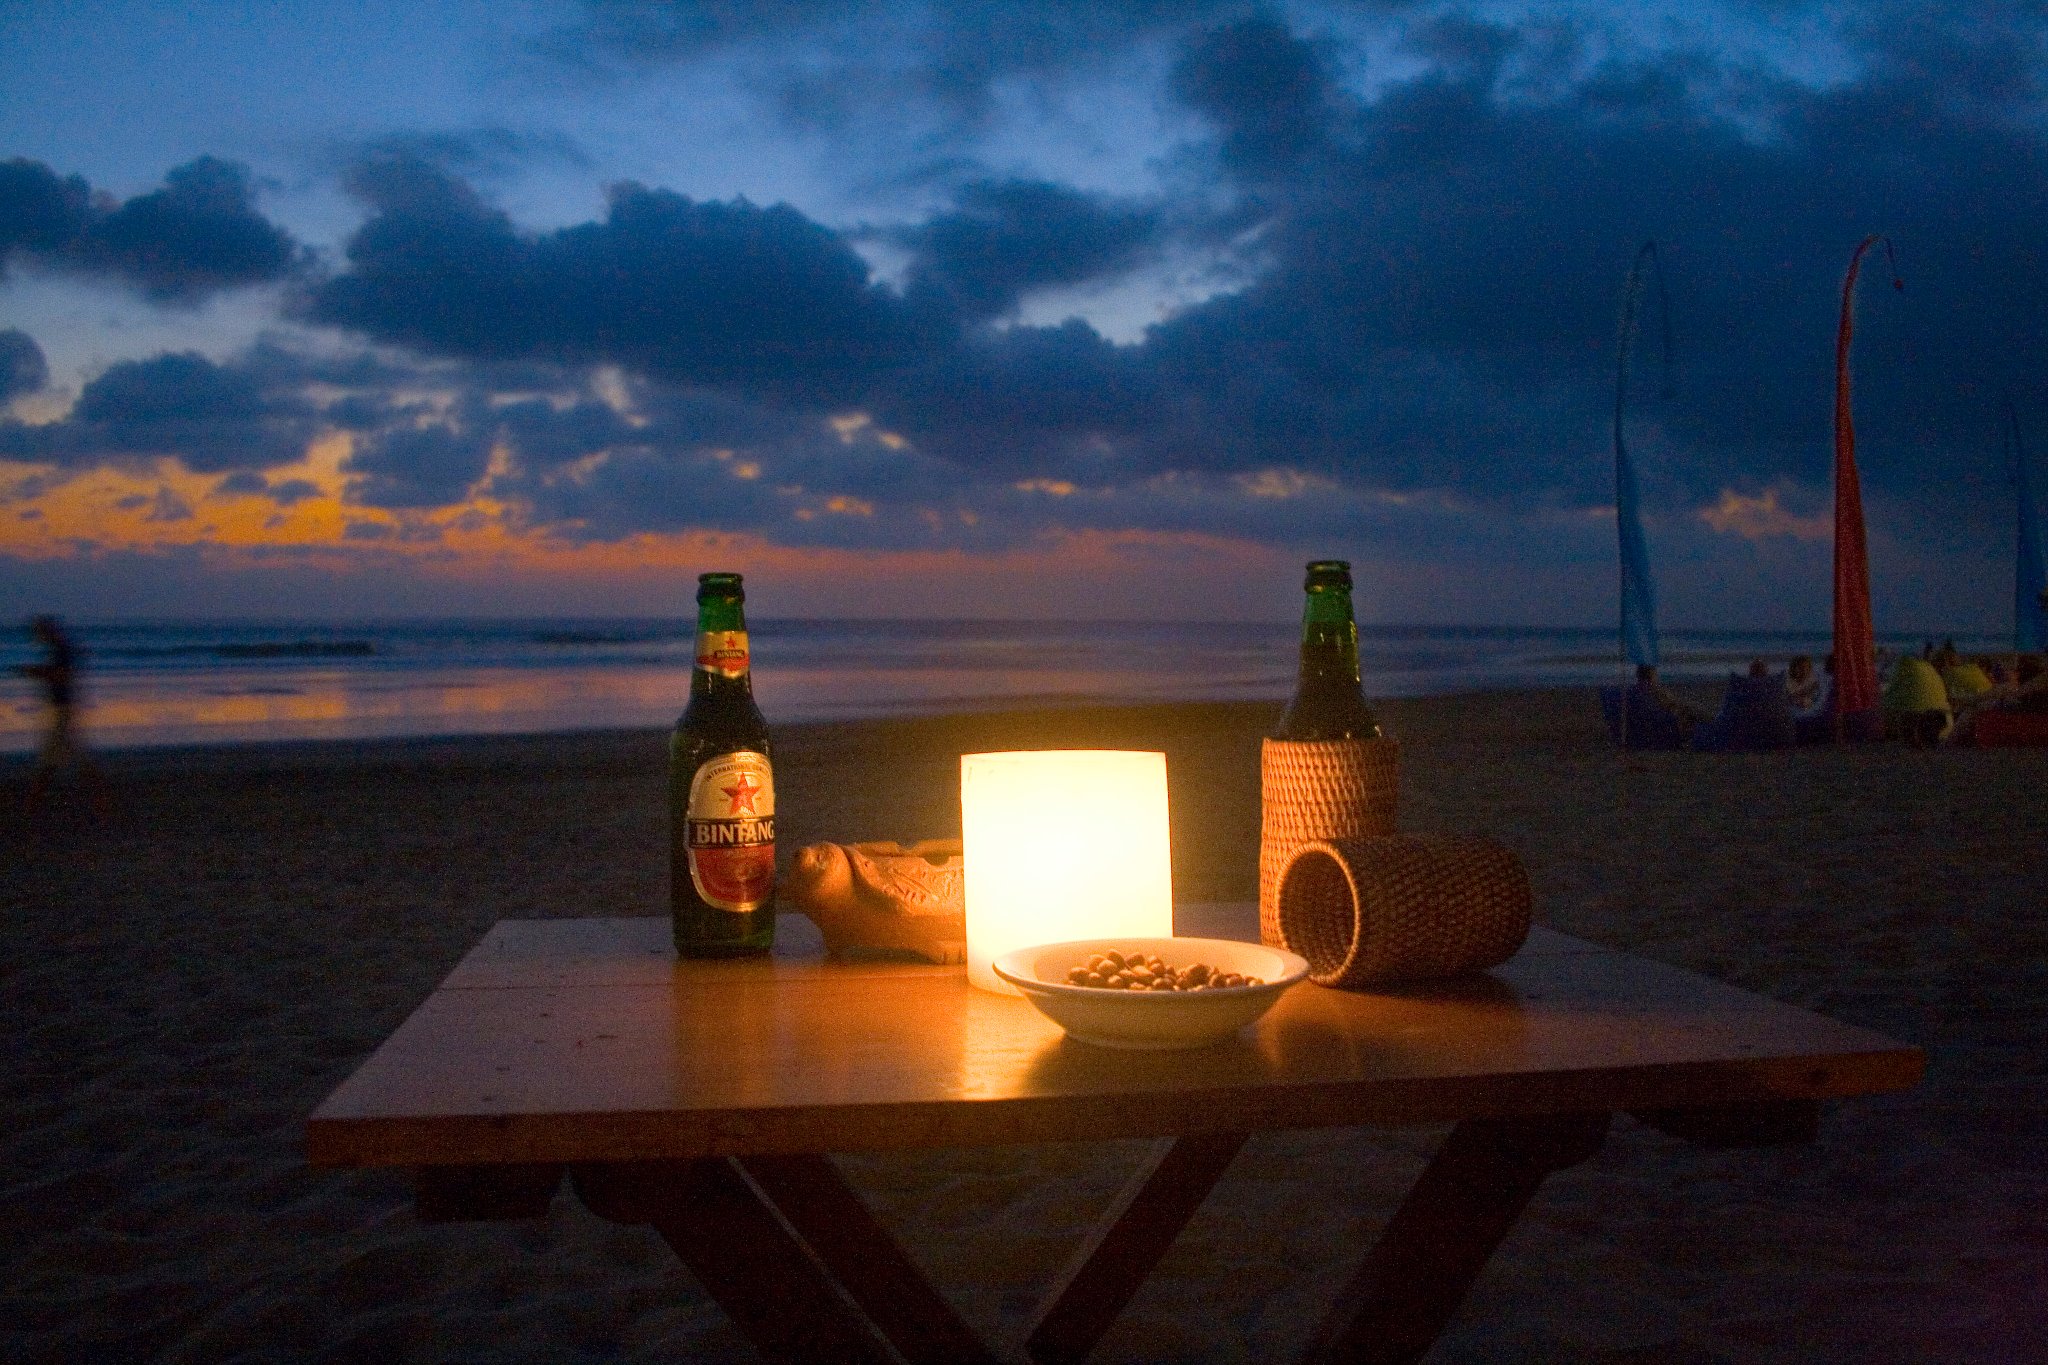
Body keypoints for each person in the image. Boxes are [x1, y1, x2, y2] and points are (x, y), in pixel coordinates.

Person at [17, 615, 106, 812]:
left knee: (53, 758)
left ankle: (32, 803)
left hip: (62, 710)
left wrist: (35, 672)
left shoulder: (61, 651)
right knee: (68, 756)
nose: (37, 637)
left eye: (39, 633)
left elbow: (61, 676)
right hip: (63, 709)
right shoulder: (62, 649)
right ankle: (101, 799)